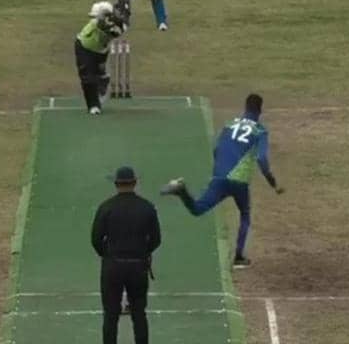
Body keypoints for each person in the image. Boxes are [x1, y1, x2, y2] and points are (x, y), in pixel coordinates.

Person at [160, 94, 283, 267]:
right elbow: (262, 159)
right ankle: (239, 257)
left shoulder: (229, 124)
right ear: (260, 110)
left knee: (197, 209)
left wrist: (220, 169)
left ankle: (181, 191)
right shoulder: (260, 131)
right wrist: (273, 182)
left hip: (219, 177)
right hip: (239, 181)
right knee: (245, 215)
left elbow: (216, 148)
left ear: (245, 107)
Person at [92, 166, 161, 344]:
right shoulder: (147, 208)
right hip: (138, 265)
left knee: (110, 315)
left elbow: (96, 239)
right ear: (135, 183)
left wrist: (107, 254)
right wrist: (144, 252)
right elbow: (156, 239)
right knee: (139, 314)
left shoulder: (106, 207)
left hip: (113, 266)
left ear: (116, 184)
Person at [75, 1, 125, 114]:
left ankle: (102, 80)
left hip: (101, 50)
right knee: (87, 78)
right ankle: (93, 105)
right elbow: (103, 26)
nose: (94, 18)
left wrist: (119, 22)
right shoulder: (97, 23)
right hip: (84, 47)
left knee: (99, 75)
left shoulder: (112, 23)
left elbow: (117, 30)